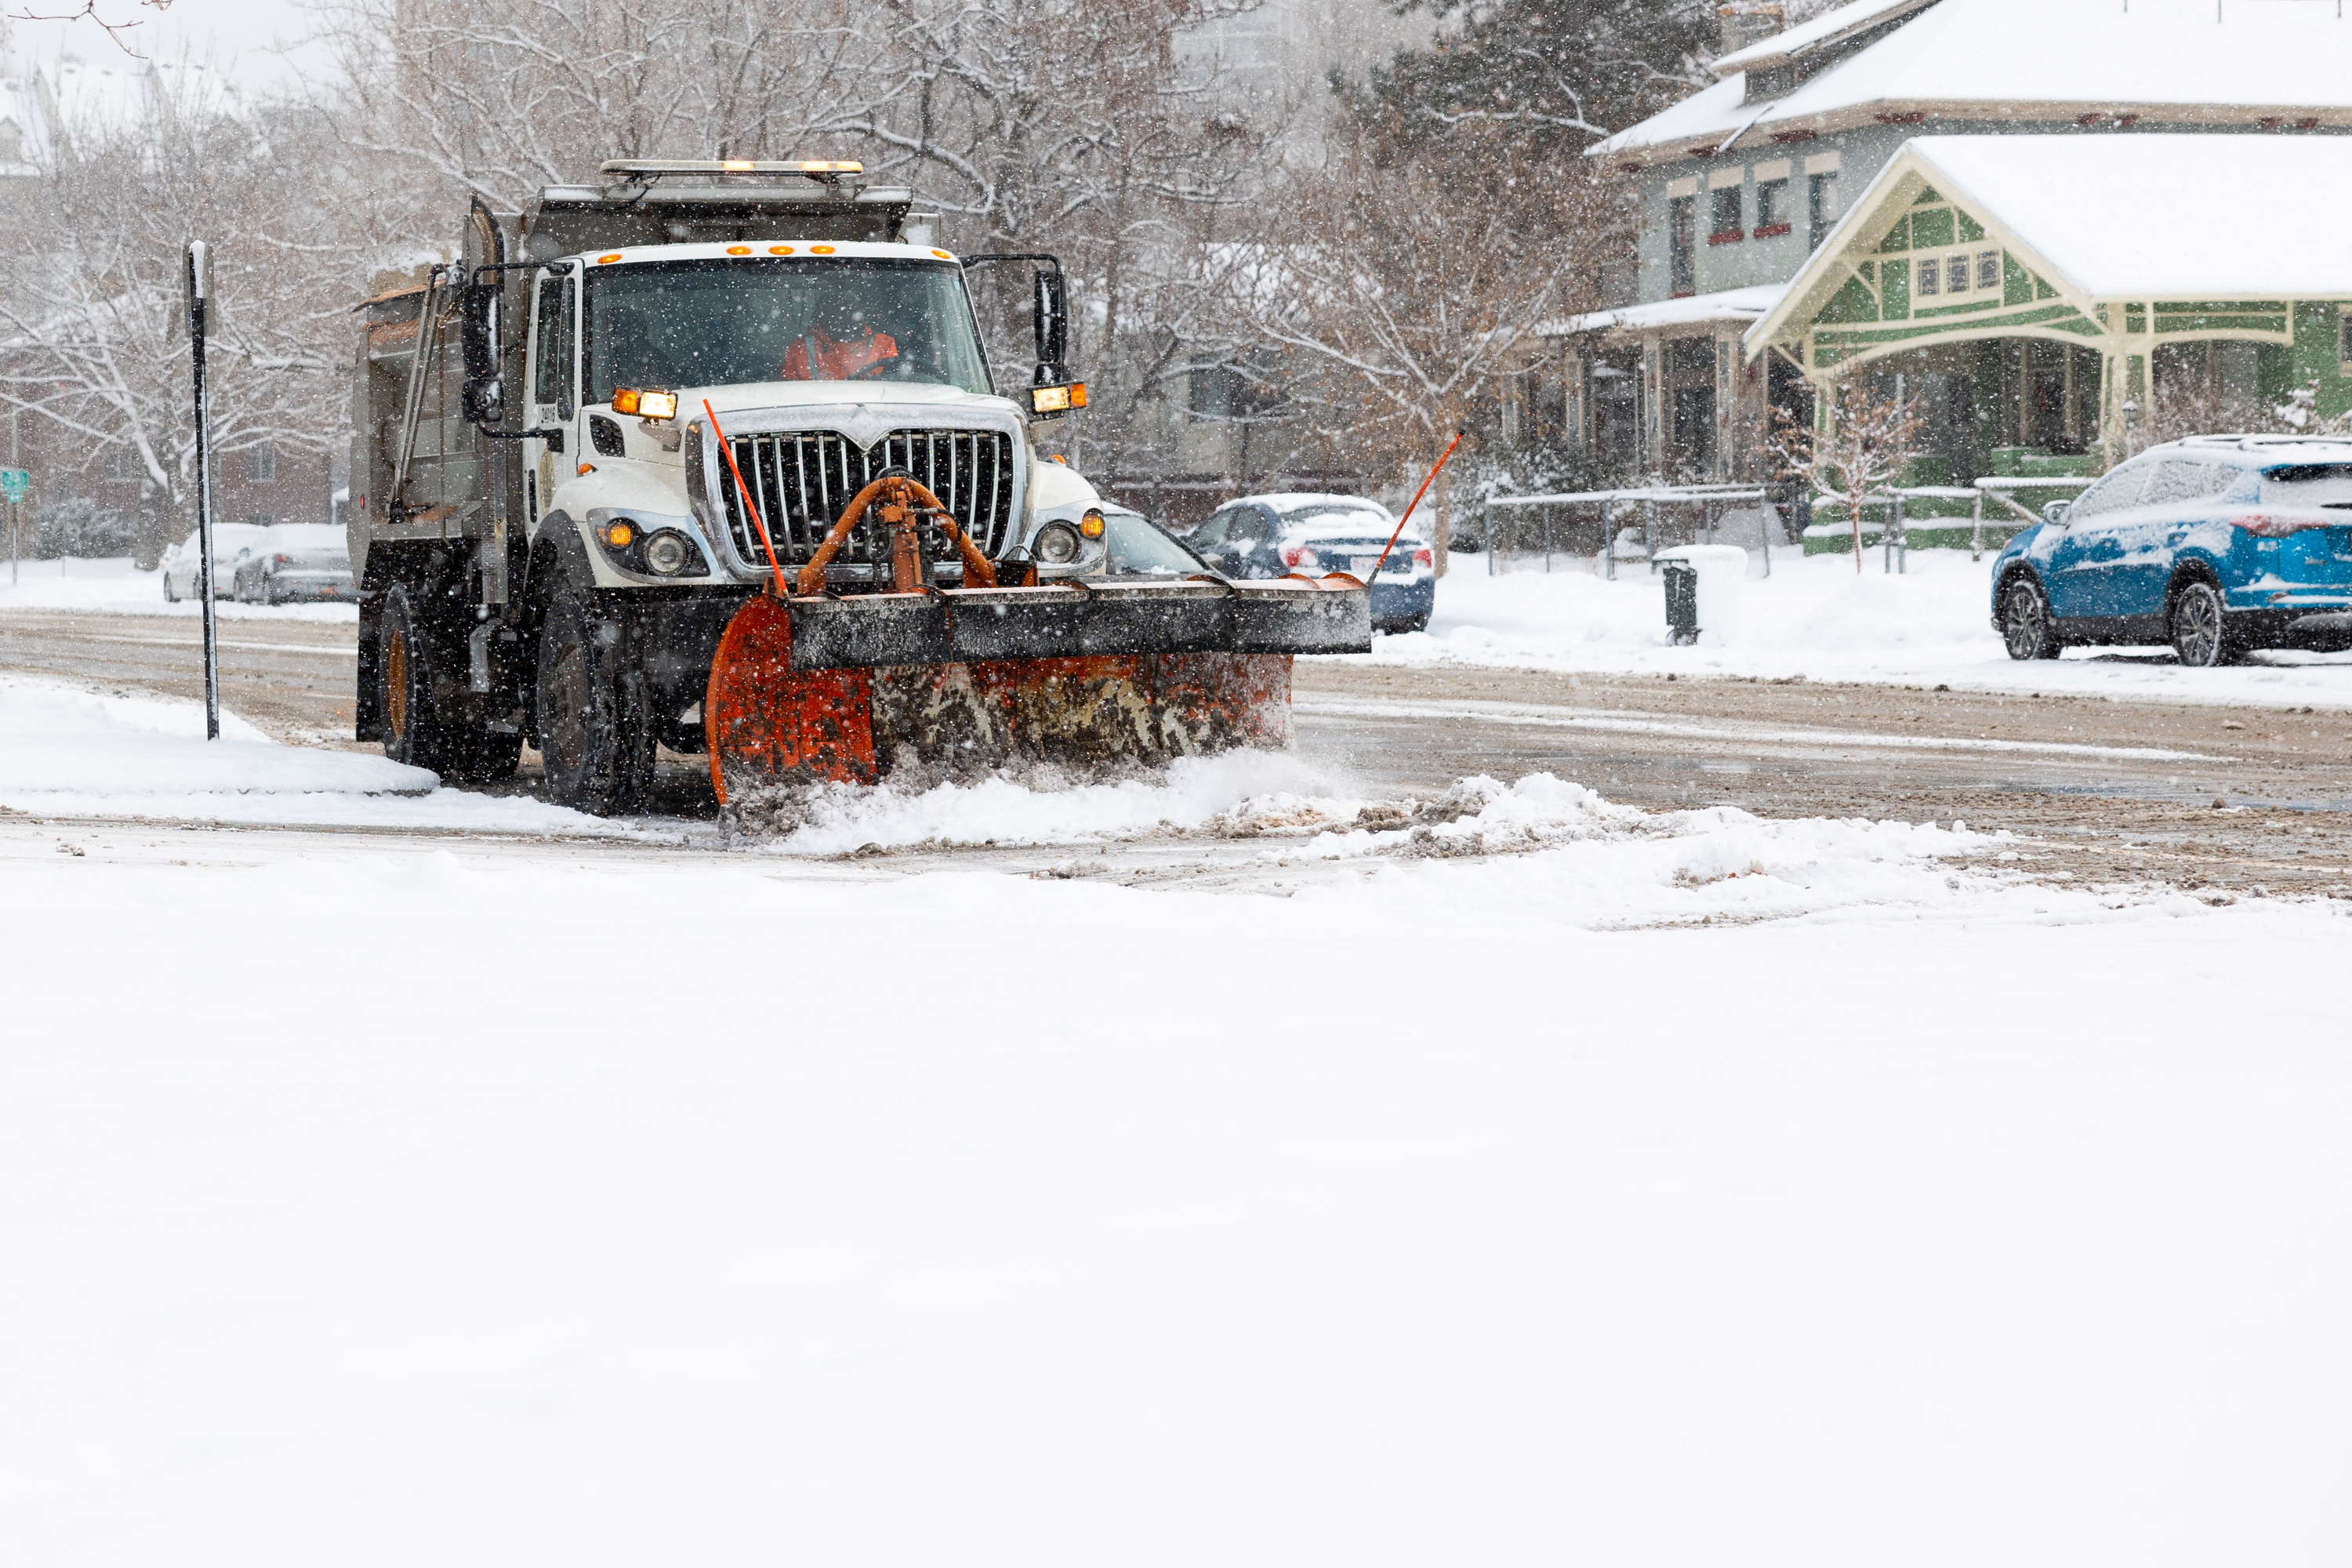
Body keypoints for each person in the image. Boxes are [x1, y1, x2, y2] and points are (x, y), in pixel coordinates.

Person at [780, 298, 898, 381]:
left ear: (862, 313)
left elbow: (898, 388)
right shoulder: (801, 348)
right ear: (824, 316)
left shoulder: (884, 344)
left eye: (851, 310)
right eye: (838, 310)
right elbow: (787, 395)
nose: (846, 316)